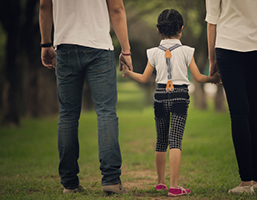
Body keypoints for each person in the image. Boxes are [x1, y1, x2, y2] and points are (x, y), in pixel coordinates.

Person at [122, 9, 220, 197]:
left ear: (158, 30)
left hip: (159, 96)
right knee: (175, 140)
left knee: (161, 141)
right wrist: (214, 78)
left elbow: (143, 78)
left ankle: (161, 183)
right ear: (181, 29)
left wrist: (128, 72)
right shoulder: (186, 51)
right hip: (180, 97)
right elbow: (198, 77)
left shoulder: (152, 52)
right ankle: (174, 186)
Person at [39, 0, 133, 194]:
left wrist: (46, 43)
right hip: (99, 47)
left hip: (64, 47)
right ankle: (111, 181)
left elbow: (44, 7)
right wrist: (126, 50)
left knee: (67, 116)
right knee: (106, 112)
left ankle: (69, 184)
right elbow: (116, 8)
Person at [205, 0, 257, 194]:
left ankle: (246, 183)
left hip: (229, 47)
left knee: (239, 114)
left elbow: (212, 20)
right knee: (254, 113)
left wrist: (212, 59)